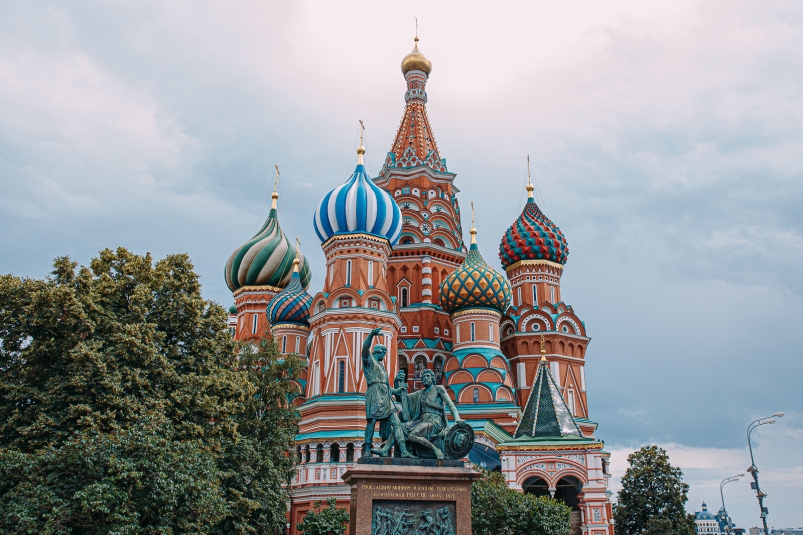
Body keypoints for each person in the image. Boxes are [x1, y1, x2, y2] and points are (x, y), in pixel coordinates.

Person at [375, 369, 463, 459]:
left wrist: (457, 419)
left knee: (413, 435)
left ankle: (436, 450)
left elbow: (451, 405)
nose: (425, 378)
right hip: (421, 421)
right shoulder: (420, 393)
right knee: (399, 427)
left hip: (434, 422)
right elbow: (402, 399)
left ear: (433, 378)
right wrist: (396, 383)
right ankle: (385, 449)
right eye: (424, 377)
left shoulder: (438, 389)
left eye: (428, 376)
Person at [362, 327, 411, 457]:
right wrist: (372, 334)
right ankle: (367, 449)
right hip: (374, 394)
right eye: (383, 354)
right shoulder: (369, 362)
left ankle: (404, 450)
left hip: (385, 396)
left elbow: (387, 387)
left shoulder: (382, 367)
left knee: (396, 422)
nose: (384, 357)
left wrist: (397, 390)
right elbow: (365, 349)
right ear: (379, 352)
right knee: (372, 421)